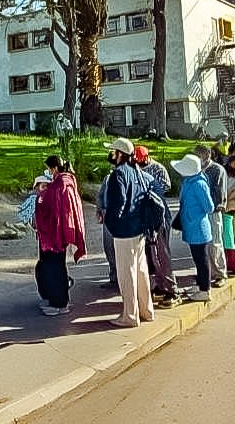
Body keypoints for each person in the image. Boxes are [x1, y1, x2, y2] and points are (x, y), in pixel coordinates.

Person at [102, 137, 154, 328]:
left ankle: (130, 315)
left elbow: (118, 204)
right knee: (141, 271)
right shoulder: (136, 171)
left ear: (119, 154)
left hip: (124, 231)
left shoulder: (118, 174)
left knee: (126, 273)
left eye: (112, 151)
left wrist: (110, 222)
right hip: (139, 228)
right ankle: (146, 310)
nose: (110, 154)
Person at [34, 155, 86, 315]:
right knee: (57, 267)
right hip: (62, 232)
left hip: (54, 234)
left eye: (50, 169)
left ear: (54, 168)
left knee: (52, 268)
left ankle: (58, 303)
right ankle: (60, 300)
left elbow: (48, 207)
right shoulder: (69, 182)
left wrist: (40, 198)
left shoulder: (58, 185)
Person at [133, 145, 179, 306]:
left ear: (146, 157)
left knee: (162, 255)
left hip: (159, 216)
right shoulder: (137, 171)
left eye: (140, 160)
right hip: (148, 218)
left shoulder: (157, 170)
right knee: (152, 256)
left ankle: (172, 290)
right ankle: (160, 285)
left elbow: (166, 187)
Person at [171, 154, 213, 302]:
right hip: (192, 226)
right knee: (197, 259)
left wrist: (192, 214)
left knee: (202, 260)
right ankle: (201, 285)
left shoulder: (198, 184)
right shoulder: (189, 181)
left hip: (198, 227)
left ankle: (205, 290)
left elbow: (209, 207)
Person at [199, 144, 228, 285]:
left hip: (213, 211)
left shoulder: (217, 170)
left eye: (199, 156)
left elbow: (220, 194)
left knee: (215, 243)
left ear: (207, 155)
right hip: (200, 212)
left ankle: (220, 274)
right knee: (204, 244)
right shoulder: (197, 169)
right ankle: (208, 271)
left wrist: (212, 206)